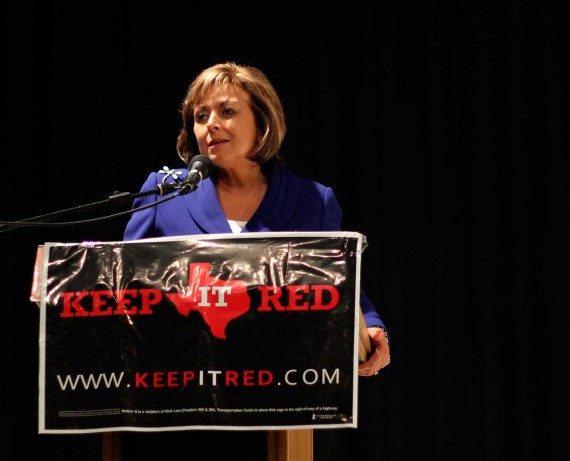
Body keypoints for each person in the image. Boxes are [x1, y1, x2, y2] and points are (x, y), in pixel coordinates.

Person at [122, 61, 390, 460]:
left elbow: (340, 287)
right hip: (184, 402)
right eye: (200, 116)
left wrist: (372, 328)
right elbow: (123, 284)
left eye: (227, 111)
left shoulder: (313, 201)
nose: (210, 124)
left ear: (262, 123)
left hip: (285, 397)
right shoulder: (164, 193)